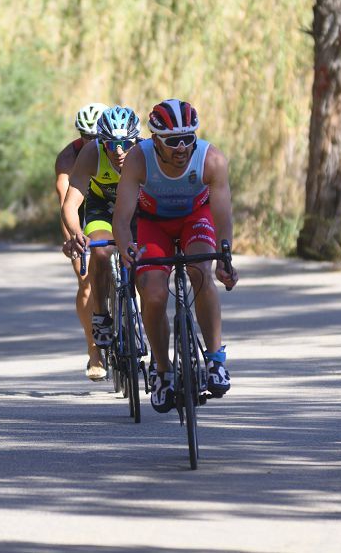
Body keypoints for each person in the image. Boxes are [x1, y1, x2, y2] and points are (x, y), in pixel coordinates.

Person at [111, 99, 239, 413]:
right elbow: (122, 216)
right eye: (172, 141)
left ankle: (215, 360)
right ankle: (163, 372)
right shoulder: (138, 160)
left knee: (200, 272)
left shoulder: (212, 160)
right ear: (154, 140)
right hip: (154, 225)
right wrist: (127, 246)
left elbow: (222, 218)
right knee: (153, 293)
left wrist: (225, 258)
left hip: (196, 218)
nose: (182, 148)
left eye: (188, 138)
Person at [61, 106, 141, 378]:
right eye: (111, 144)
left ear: (137, 141)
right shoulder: (91, 153)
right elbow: (70, 205)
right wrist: (75, 233)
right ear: (100, 142)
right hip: (102, 208)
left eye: (125, 144)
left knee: (148, 265)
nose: (119, 151)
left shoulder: (147, 153)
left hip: (136, 209)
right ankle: (101, 316)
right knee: (103, 252)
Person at [55, 102, 109, 380]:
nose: (92, 142)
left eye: (97, 136)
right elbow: (67, 204)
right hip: (82, 211)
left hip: (112, 207)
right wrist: (74, 246)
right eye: (86, 136)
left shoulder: (121, 149)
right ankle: (94, 352)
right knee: (86, 279)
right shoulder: (68, 158)